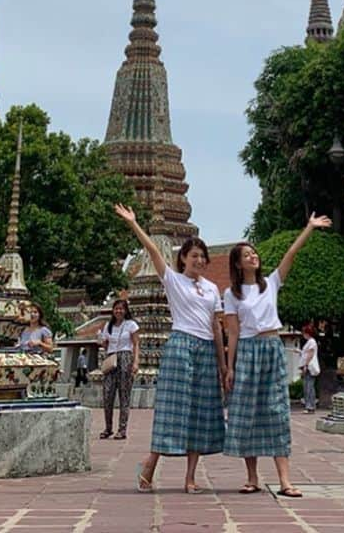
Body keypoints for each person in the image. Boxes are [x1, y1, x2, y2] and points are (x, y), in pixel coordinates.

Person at [114, 203, 226, 494]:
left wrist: (223, 363)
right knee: (172, 410)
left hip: (206, 349)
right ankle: (149, 465)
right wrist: (134, 224)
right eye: (194, 256)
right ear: (183, 259)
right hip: (180, 346)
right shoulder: (173, 281)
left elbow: (216, 326)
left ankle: (190, 477)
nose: (199, 260)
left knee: (201, 413)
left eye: (202, 256)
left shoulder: (213, 288)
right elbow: (153, 251)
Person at [223, 213, 332, 497]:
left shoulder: (270, 283)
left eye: (254, 253)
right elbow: (232, 333)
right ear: (237, 262)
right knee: (247, 414)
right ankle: (251, 477)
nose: (253, 257)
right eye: (247, 255)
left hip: (272, 349)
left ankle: (285, 480)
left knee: (277, 412)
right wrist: (230, 367)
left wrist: (309, 227)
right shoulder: (231, 294)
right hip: (247, 351)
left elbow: (291, 253)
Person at [98, 297, 140, 440]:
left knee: (124, 395)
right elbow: (105, 344)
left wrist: (135, 362)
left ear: (126, 310)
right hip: (111, 359)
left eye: (121, 308)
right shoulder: (108, 326)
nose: (118, 311)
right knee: (107, 394)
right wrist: (103, 342)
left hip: (125, 358)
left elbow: (136, 344)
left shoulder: (131, 325)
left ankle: (122, 429)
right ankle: (108, 428)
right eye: (116, 308)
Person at [297, 324, 320, 414]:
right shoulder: (310, 342)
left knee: (309, 386)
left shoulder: (311, 342)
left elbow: (310, 354)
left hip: (309, 367)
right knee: (307, 386)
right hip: (308, 366)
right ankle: (309, 405)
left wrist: (305, 365)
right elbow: (306, 353)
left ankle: (310, 406)